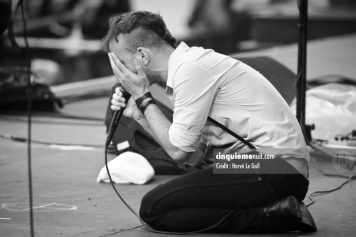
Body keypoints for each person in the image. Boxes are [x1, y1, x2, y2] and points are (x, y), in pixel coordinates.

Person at [103, 11, 316, 233]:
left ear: (142, 56)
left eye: (122, 64)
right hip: (266, 166)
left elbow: (178, 152)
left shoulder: (190, 70)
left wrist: (141, 95)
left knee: (153, 208)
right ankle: (278, 210)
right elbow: (187, 150)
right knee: (168, 206)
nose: (122, 76)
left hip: (274, 167)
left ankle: (275, 217)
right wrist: (138, 114)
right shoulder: (186, 67)